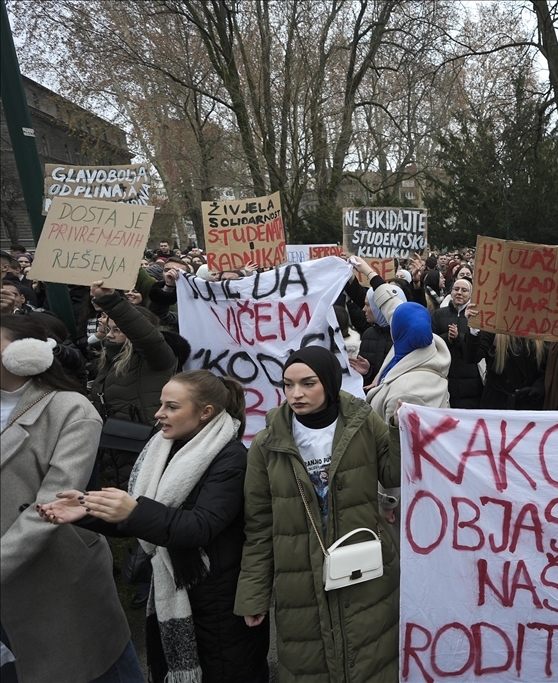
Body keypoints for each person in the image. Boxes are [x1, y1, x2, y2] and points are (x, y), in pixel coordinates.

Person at [40, 370, 270, 683]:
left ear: (206, 412)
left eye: (172, 407)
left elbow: (199, 526)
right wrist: (86, 509)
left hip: (219, 603)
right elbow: (142, 521)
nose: (159, 413)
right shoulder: (160, 449)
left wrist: (133, 511)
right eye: (161, 404)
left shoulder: (231, 458)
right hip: (176, 591)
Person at [236, 346, 401, 681]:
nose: (295, 393)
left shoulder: (363, 423)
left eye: (307, 383)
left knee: (372, 659)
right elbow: (259, 526)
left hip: (365, 570)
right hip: (300, 578)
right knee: (311, 662)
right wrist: (254, 594)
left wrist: (399, 430)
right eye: (288, 384)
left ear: (329, 382)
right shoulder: (266, 445)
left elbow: (393, 473)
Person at [1, 315, 143, 683]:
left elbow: (52, 504)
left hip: (55, 573)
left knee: (94, 665)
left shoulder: (70, 410)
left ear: (26, 353)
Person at [88, 280, 179, 490]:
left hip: (143, 445)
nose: (109, 335)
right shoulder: (111, 359)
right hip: (114, 447)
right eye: (108, 329)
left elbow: (146, 338)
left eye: (118, 330)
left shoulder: (156, 358)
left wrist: (111, 302)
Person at [430, 278, 482, 409]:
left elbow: (478, 347)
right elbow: (432, 341)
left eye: (464, 290)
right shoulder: (439, 314)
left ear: (471, 295)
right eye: (456, 289)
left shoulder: (476, 316)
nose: (459, 293)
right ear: (451, 292)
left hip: (470, 380)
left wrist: (459, 337)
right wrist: (447, 337)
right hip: (446, 375)